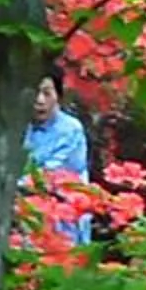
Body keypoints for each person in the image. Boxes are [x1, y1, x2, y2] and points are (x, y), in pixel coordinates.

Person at [26, 62, 94, 247]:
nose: (39, 100)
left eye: (47, 93)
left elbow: (49, 176)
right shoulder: (18, 126)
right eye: (35, 92)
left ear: (58, 96)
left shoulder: (70, 130)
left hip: (62, 218)